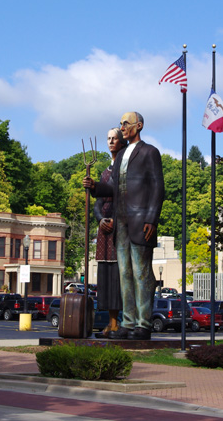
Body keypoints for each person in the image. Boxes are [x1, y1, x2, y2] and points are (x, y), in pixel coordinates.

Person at [84, 112, 165, 340]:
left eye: (126, 124)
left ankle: (143, 324)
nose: (122, 128)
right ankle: (127, 323)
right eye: (120, 124)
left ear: (138, 126)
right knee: (125, 274)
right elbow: (113, 189)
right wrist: (95, 187)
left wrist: (151, 218)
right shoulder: (120, 157)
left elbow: (158, 188)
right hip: (121, 224)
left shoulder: (150, 152)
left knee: (141, 273)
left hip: (141, 223)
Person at [93, 128, 127, 337]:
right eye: (108, 138)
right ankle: (111, 322)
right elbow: (98, 203)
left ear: (122, 141)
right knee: (105, 276)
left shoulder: (125, 170)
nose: (111, 141)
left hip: (120, 228)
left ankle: (121, 322)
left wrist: (116, 219)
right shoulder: (105, 172)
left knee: (118, 276)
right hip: (104, 233)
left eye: (115, 138)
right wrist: (100, 219)